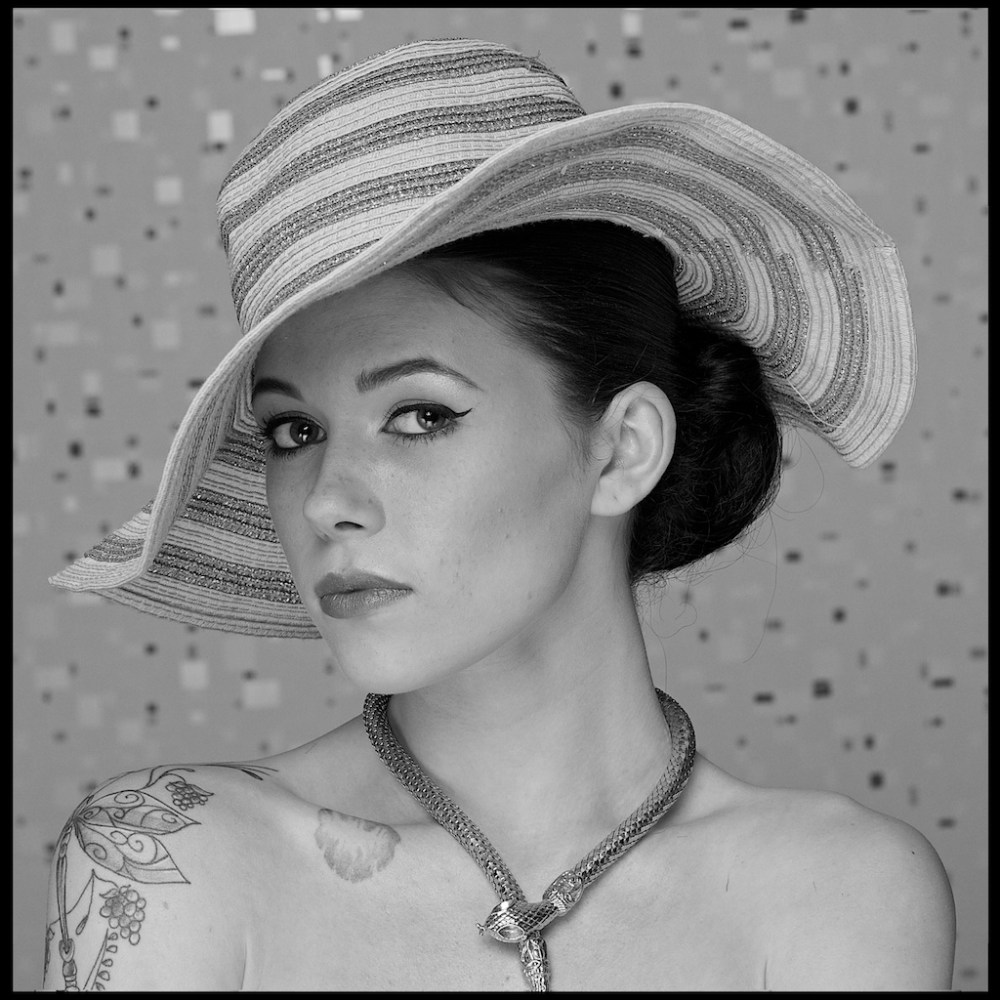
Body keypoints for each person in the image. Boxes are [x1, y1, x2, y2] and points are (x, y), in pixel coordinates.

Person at [41, 38, 955, 991]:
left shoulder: (842, 895)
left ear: (622, 448)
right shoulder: (172, 863)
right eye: (292, 431)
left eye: (420, 416)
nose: (327, 500)